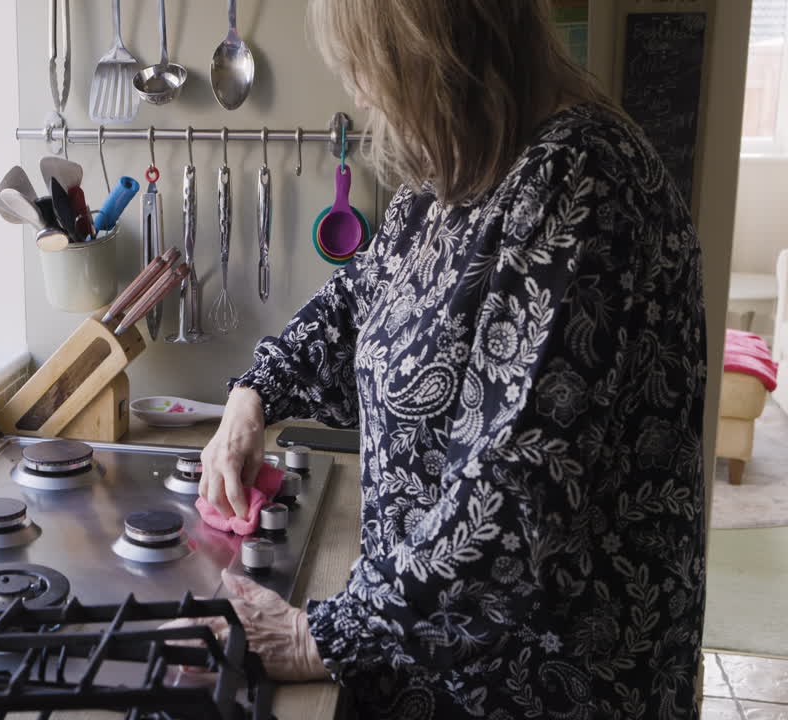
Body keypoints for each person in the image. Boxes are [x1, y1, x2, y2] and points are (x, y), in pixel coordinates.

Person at [192, 1, 708, 717]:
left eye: (371, 68)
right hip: (436, 669)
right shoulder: (465, 168)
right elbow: (366, 297)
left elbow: (515, 499)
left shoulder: (580, 178)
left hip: (539, 690)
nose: (361, 94)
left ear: (439, 51)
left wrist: (323, 638)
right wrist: (256, 393)